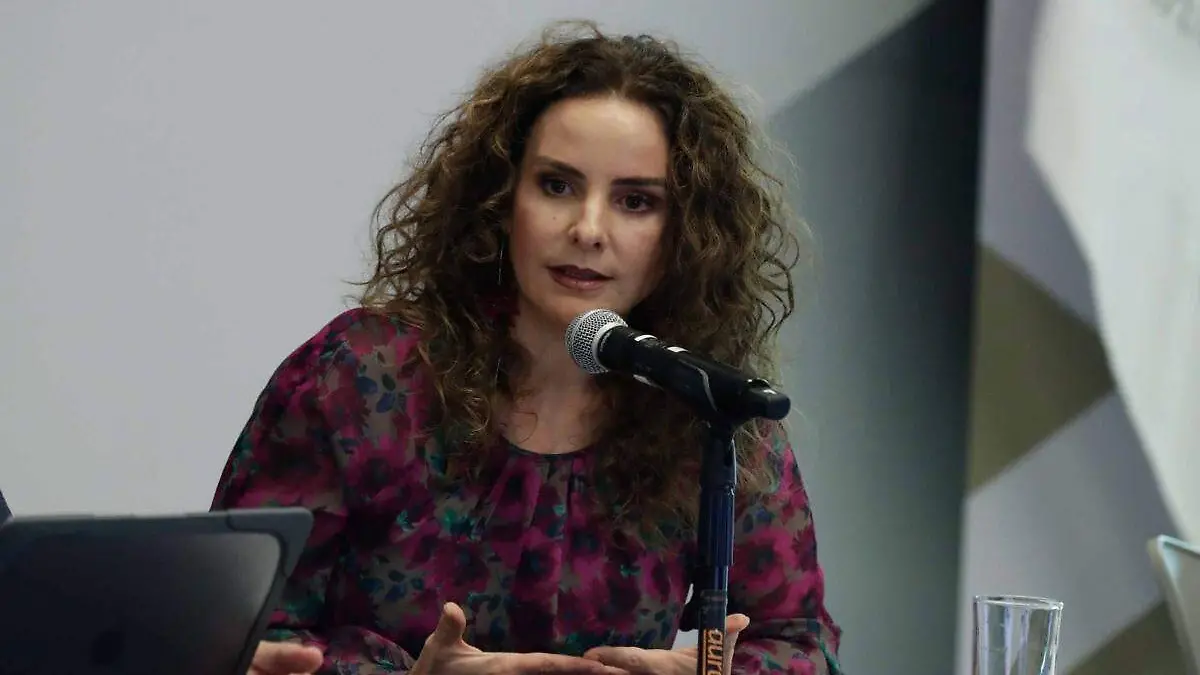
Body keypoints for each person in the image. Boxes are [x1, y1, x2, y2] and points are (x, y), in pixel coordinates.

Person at [213, 20, 841, 675]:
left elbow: (802, 643)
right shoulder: (360, 377)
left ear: (686, 234)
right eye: (557, 185)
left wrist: (715, 673)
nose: (588, 229)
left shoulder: (708, 409)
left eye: (635, 201)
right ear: (500, 200)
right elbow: (235, 636)